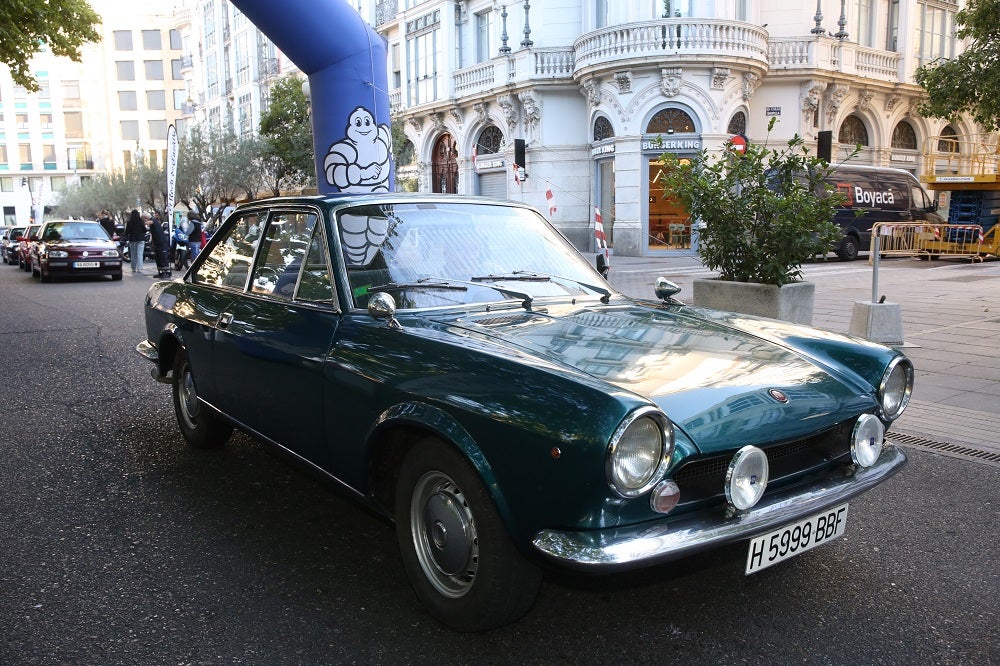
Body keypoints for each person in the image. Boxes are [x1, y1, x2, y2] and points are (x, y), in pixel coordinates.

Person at [146, 212, 170, 278]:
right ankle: (161, 272)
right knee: (158, 258)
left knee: (163, 258)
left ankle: (166, 273)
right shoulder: (153, 222)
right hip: (157, 243)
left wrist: (143, 222)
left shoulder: (153, 221)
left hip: (161, 242)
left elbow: (150, 222)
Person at [124, 209, 146, 273]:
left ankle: (134, 268)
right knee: (140, 254)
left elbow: (127, 232)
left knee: (133, 254)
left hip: (133, 239)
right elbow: (145, 230)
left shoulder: (129, 222)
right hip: (141, 239)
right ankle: (140, 268)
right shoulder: (141, 221)